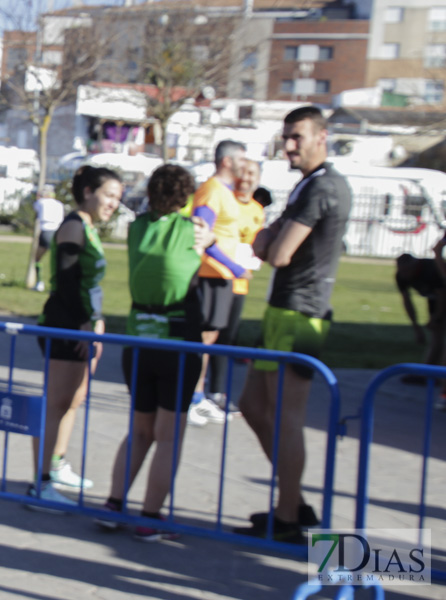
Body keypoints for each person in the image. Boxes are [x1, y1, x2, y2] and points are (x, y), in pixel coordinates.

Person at [233, 105, 352, 543]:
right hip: (281, 308)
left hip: (302, 312)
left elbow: (276, 253)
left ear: (322, 136)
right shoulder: (307, 185)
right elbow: (263, 241)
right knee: (252, 406)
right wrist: (269, 237)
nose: (288, 146)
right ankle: (294, 500)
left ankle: (287, 516)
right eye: (286, 137)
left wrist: (269, 239)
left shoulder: (325, 187)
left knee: (285, 417)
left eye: (297, 137)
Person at [95, 164, 211, 542]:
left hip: (139, 341)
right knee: (169, 435)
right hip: (177, 343)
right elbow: (231, 261)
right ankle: (150, 516)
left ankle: (114, 504)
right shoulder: (191, 229)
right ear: (185, 195)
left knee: (140, 431)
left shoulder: (137, 227)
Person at [29, 166, 122, 510]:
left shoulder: (88, 226)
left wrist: (94, 321)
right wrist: (84, 322)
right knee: (56, 402)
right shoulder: (73, 225)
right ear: (87, 191)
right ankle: (40, 483)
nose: (114, 203)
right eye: (109, 195)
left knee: (72, 399)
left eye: (118, 198)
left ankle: (56, 463)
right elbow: (66, 281)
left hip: (83, 325)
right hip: (65, 324)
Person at [187, 140, 250, 427]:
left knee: (211, 339)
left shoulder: (226, 192)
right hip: (212, 274)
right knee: (204, 339)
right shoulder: (212, 190)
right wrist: (234, 267)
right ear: (226, 161)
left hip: (222, 275)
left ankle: (199, 397)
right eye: (241, 159)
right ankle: (193, 397)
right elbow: (201, 231)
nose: (244, 165)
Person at [207, 158, 266, 413]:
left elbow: (254, 243)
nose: (247, 178)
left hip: (240, 281)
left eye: (253, 173)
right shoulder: (225, 200)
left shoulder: (257, 210)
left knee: (228, 338)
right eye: (244, 172)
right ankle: (200, 392)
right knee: (208, 335)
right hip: (216, 275)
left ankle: (216, 390)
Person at [396, 250, 446, 386]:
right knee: (436, 336)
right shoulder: (401, 275)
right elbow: (407, 301)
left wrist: (436, 318)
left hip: (442, 296)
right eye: (401, 271)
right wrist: (416, 328)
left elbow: (442, 294)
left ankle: (441, 377)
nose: (404, 275)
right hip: (435, 299)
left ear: (415, 267)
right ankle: (428, 373)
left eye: (406, 271)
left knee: (439, 334)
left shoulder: (430, 270)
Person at [32, 184, 65, 292]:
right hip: (58, 232)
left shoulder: (41, 202)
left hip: (46, 231)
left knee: (37, 258)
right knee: (57, 261)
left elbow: (35, 208)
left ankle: (39, 282)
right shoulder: (59, 204)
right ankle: (55, 286)